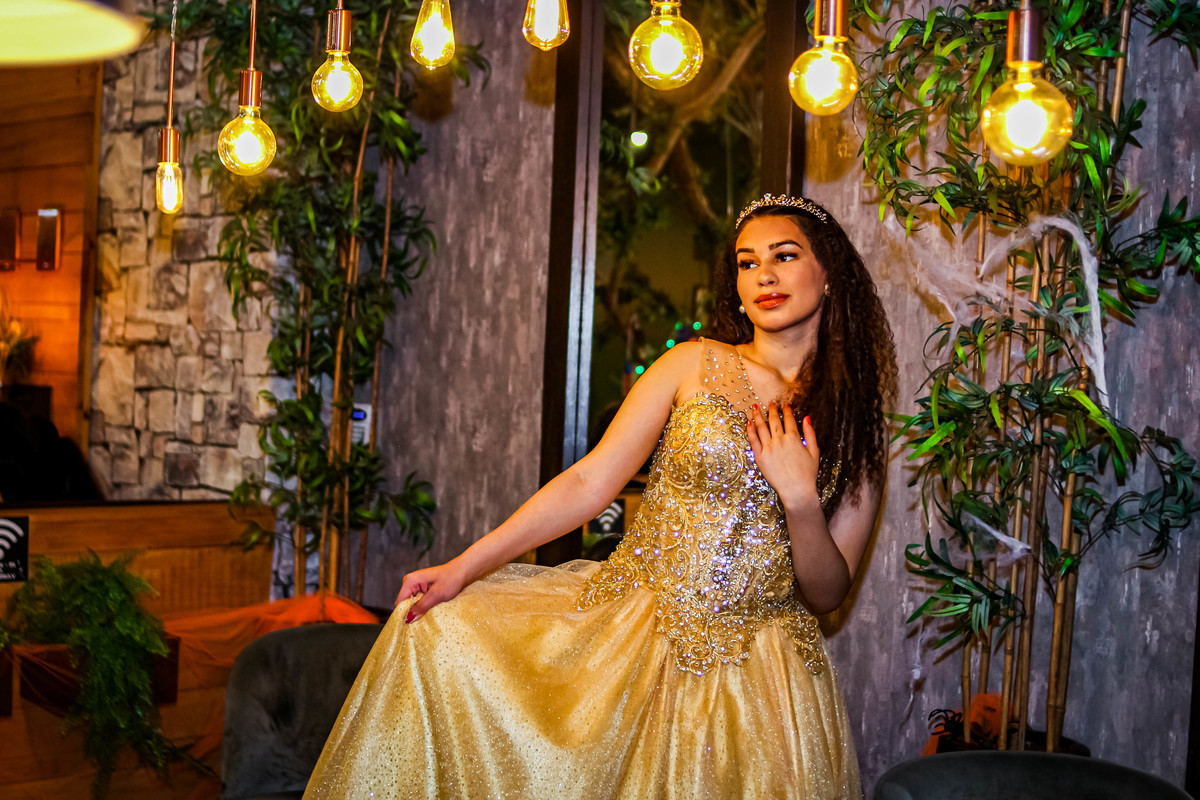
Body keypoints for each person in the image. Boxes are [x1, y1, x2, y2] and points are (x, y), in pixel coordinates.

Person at [303, 194, 897, 800]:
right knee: (444, 636)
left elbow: (827, 594)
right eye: (748, 263)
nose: (764, 275)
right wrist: (463, 568)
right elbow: (589, 482)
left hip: (764, 686)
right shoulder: (690, 365)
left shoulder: (858, 421)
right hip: (636, 641)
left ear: (829, 274)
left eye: (784, 256)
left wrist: (800, 500)